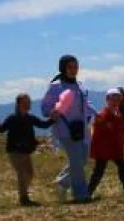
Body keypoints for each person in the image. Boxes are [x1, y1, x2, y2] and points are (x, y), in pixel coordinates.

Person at [41, 55, 96, 204]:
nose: (73, 70)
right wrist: (52, 112)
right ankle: (81, 194)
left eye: (75, 67)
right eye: (70, 67)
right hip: (65, 129)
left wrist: (97, 114)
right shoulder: (55, 86)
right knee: (76, 161)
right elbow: (45, 107)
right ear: (63, 68)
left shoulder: (81, 86)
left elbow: (87, 105)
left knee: (83, 159)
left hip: (82, 128)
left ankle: (63, 181)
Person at [0, 93, 54, 206]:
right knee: (22, 173)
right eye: (25, 102)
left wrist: (53, 118)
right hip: (14, 150)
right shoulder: (12, 118)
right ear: (19, 104)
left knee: (29, 174)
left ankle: (23, 192)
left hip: (26, 151)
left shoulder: (30, 118)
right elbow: (1, 129)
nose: (28, 104)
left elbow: (43, 125)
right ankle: (23, 198)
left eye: (29, 102)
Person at [87, 89, 124, 199]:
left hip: (115, 148)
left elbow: (119, 132)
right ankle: (87, 193)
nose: (115, 101)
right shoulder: (102, 115)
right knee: (99, 171)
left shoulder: (118, 114)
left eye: (118, 99)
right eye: (113, 99)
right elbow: (97, 134)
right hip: (104, 149)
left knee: (122, 167)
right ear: (107, 100)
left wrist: (121, 144)